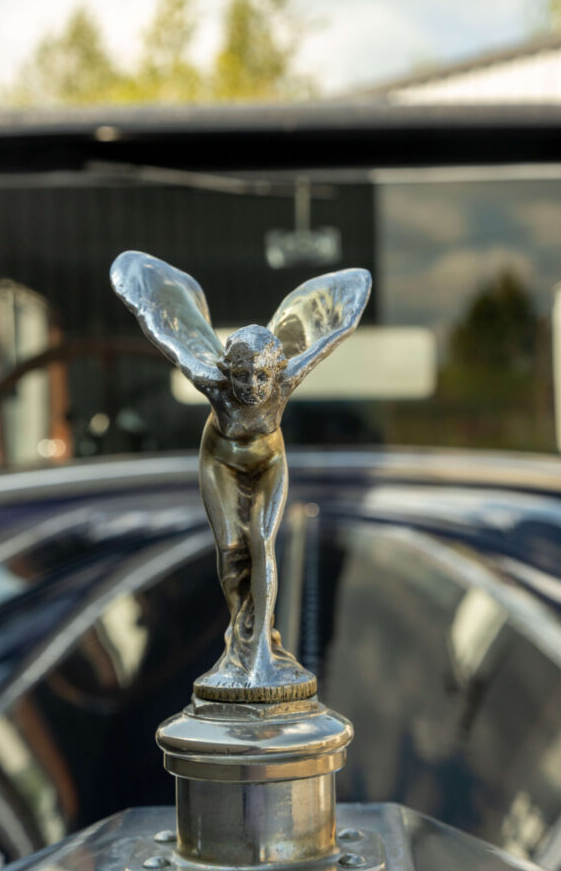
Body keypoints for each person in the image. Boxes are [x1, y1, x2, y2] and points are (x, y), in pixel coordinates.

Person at [110, 250, 371, 701]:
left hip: (269, 461)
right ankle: (242, 636)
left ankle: (260, 656)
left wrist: (346, 308)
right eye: (242, 376)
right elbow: (161, 332)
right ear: (227, 372)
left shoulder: (287, 378)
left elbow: (333, 333)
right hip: (221, 461)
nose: (251, 386)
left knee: (262, 541)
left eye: (260, 376)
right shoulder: (210, 380)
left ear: (276, 370)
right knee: (232, 550)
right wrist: (145, 298)